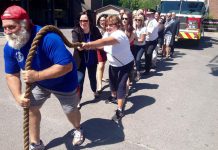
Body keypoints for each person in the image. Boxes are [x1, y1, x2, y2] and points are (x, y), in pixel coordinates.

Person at [1, 5, 84, 149]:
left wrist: (37, 75)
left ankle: (78, 128)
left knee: (70, 111)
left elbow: (66, 66)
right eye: (4, 27)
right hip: (40, 83)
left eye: (11, 27)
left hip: (64, 81)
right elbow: (11, 74)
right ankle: (36, 143)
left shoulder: (48, 38)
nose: (7, 32)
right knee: (31, 107)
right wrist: (18, 96)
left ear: (25, 24)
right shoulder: (10, 47)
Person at [81, 15, 134, 121]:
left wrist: (89, 44)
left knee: (120, 86)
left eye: (111, 25)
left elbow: (105, 42)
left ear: (117, 25)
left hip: (125, 64)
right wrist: (91, 47)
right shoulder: (107, 34)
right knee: (112, 83)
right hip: (114, 64)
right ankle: (114, 97)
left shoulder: (119, 34)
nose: (108, 27)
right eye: (107, 25)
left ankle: (119, 110)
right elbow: (103, 46)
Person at [71, 10, 101, 101]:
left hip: (92, 59)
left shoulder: (94, 30)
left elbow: (100, 42)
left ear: (90, 21)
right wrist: (90, 45)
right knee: (79, 81)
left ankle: (94, 90)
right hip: (80, 61)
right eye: (81, 21)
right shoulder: (76, 31)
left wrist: (88, 45)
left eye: (85, 21)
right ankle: (78, 99)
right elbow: (77, 45)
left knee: (92, 78)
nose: (83, 23)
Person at [143, 8, 159, 73]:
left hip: (152, 41)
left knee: (148, 53)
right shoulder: (148, 21)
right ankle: (147, 66)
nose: (147, 15)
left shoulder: (153, 22)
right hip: (147, 40)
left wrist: (140, 34)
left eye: (149, 14)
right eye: (147, 14)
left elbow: (148, 32)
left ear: (153, 14)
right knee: (146, 54)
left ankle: (147, 70)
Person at [96, 14, 108, 93]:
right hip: (99, 49)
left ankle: (102, 77)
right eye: (101, 20)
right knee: (100, 65)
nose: (102, 22)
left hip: (106, 49)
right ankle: (99, 84)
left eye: (104, 20)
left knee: (103, 64)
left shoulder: (107, 29)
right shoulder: (97, 29)